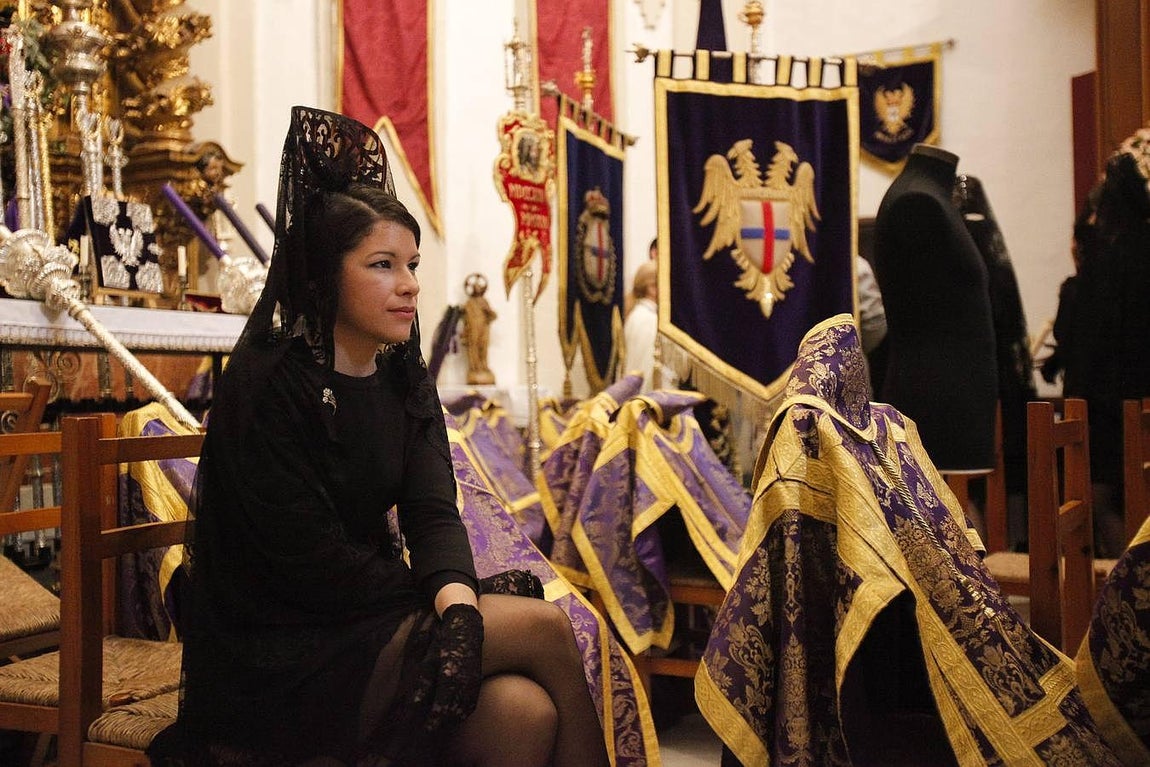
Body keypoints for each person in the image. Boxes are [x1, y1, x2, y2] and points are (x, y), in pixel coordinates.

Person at [147, 107, 609, 767]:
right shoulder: (269, 385)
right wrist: (442, 607)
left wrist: (458, 609)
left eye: (412, 264)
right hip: (283, 649)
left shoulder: (400, 379)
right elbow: (309, 560)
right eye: (383, 265)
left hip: (370, 615)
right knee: (544, 626)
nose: (410, 285)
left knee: (524, 714)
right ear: (325, 274)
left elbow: (432, 512)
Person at [872, 143, 998, 472]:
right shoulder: (917, 202)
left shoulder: (933, 197)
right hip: (935, 401)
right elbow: (927, 318)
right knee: (937, 502)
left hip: (953, 398)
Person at [622, 258, 674, 392]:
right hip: (647, 398)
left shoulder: (637, 315)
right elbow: (648, 368)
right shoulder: (649, 320)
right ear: (652, 288)